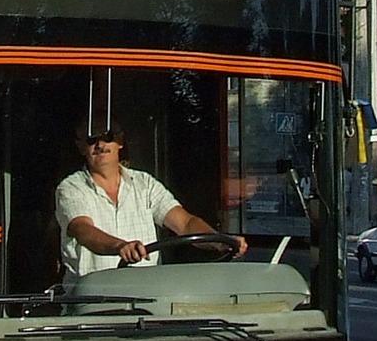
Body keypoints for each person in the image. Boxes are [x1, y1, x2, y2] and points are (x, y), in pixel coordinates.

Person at [53, 120, 245, 281]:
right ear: (80, 147)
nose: (100, 145)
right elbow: (83, 230)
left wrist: (220, 241)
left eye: (108, 137)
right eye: (91, 139)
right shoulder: (71, 188)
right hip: (91, 302)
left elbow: (185, 223)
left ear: (120, 142)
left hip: (145, 300)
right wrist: (119, 247)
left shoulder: (144, 184)